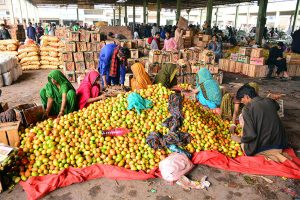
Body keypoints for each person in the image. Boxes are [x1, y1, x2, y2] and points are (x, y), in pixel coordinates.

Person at [232, 85, 288, 160]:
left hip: (263, 148)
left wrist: (240, 139)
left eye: (242, 99)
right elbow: (277, 107)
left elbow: (250, 135)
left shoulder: (247, 109)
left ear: (246, 96)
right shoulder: (269, 101)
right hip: (279, 145)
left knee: (241, 118)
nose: (242, 102)